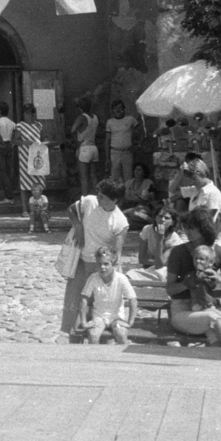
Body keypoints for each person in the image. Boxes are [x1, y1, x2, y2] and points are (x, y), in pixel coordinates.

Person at [164, 208, 221, 347]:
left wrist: (219, 279)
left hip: (210, 308)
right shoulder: (178, 252)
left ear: (203, 229)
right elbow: (170, 289)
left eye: (191, 228)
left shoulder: (219, 252)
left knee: (214, 330)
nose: (186, 231)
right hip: (183, 311)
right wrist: (187, 283)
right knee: (214, 320)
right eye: (185, 227)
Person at [62, 178, 129, 340]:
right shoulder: (90, 202)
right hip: (80, 262)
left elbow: (116, 254)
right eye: (98, 195)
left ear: (114, 200)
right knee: (74, 301)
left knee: (95, 306)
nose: (98, 199)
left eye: (103, 197)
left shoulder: (120, 221)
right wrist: (78, 226)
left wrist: (112, 280)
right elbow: (71, 210)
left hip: (99, 268)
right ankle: (72, 339)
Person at [76, 247, 136, 344]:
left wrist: (130, 321)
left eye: (106, 264)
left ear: (113, 265)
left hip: (117, 317)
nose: (102, 267)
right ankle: (94, 357)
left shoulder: (121, 279)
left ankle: (119, 357)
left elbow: (132, 298)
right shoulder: (93, 278)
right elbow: (84, 299)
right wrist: (83, 321)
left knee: (121, 333)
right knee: (93, 334)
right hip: (99, 316)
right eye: (99, 264)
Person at [13, 104, 47, 215]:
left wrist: (42, 143)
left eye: (30, 113)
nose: (28, 115)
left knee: (39, 182)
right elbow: (15, 141)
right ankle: (24, 210)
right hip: (25, 157)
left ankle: (39, 208)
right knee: (24, 183)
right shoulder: (20, 126)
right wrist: (25, 142)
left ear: (33, 113)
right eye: (26, 113)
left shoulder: (38, 125)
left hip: (37, 157)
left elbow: (43, 139)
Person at [105, 100, 141, 183]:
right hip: (114, 153)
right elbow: (107, 140)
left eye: (120, 108)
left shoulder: (130, 119)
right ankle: (116, 195)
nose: (118, 110)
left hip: (127, 153)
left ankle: (127, 195)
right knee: (114, 178)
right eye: (115, 108)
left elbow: (140, 133)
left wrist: (137, 145)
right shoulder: (110, 122)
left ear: (124, 109)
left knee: (128, 178)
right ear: (113, 110)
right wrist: (107, 158)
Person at [72, 97, 100, 195]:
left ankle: (85, 200)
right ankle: (97, 199)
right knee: (94, 176)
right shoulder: (95, 117)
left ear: (80, 107)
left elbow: (73, 130)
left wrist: (77, 143)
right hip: (94, 148)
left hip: (84, 148)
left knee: (84, 178)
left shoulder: (81, 117)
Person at [0, 102, 17, 201]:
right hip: (9, 145)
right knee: (8, 170)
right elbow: (15, 134)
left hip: (0, 145)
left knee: (2, 171)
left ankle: (8, 196)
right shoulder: (12, 123)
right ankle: (9, 194)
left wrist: (2, 142)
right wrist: (10, 143)